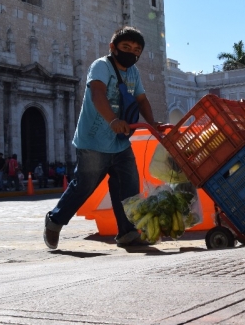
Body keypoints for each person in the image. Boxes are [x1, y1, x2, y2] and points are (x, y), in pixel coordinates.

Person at [44, 26, 163, 249]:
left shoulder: (133, 73)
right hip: (93, 142)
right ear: (113, 47)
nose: (131, 53)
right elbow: (97, 93)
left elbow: (141, 100)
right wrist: (112, 121)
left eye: (136, 50)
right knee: (84, 187)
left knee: (128, 188)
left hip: (120, 143)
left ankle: (127, 232)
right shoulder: (101, 66)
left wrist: (153, 123)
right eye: (126, 47)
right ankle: (54, 221)